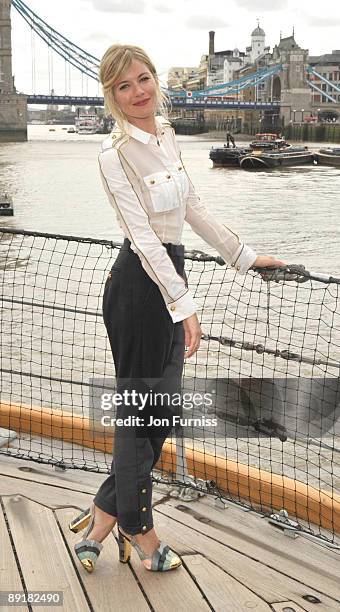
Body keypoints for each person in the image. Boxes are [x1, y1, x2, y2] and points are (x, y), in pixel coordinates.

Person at [68, 44, 285, 574]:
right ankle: (140, 528)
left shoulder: (165, 135)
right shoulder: (113, 156)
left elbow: (192, 208)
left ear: (155, 80)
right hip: (140, 291)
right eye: (124, 85)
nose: (138, 91)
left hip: (169, 280)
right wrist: (183, 307)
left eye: (144, 78)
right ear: (112, 96)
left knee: (158, 412)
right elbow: (143, 239)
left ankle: (103, 510)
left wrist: (246, 256)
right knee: (141, 409)